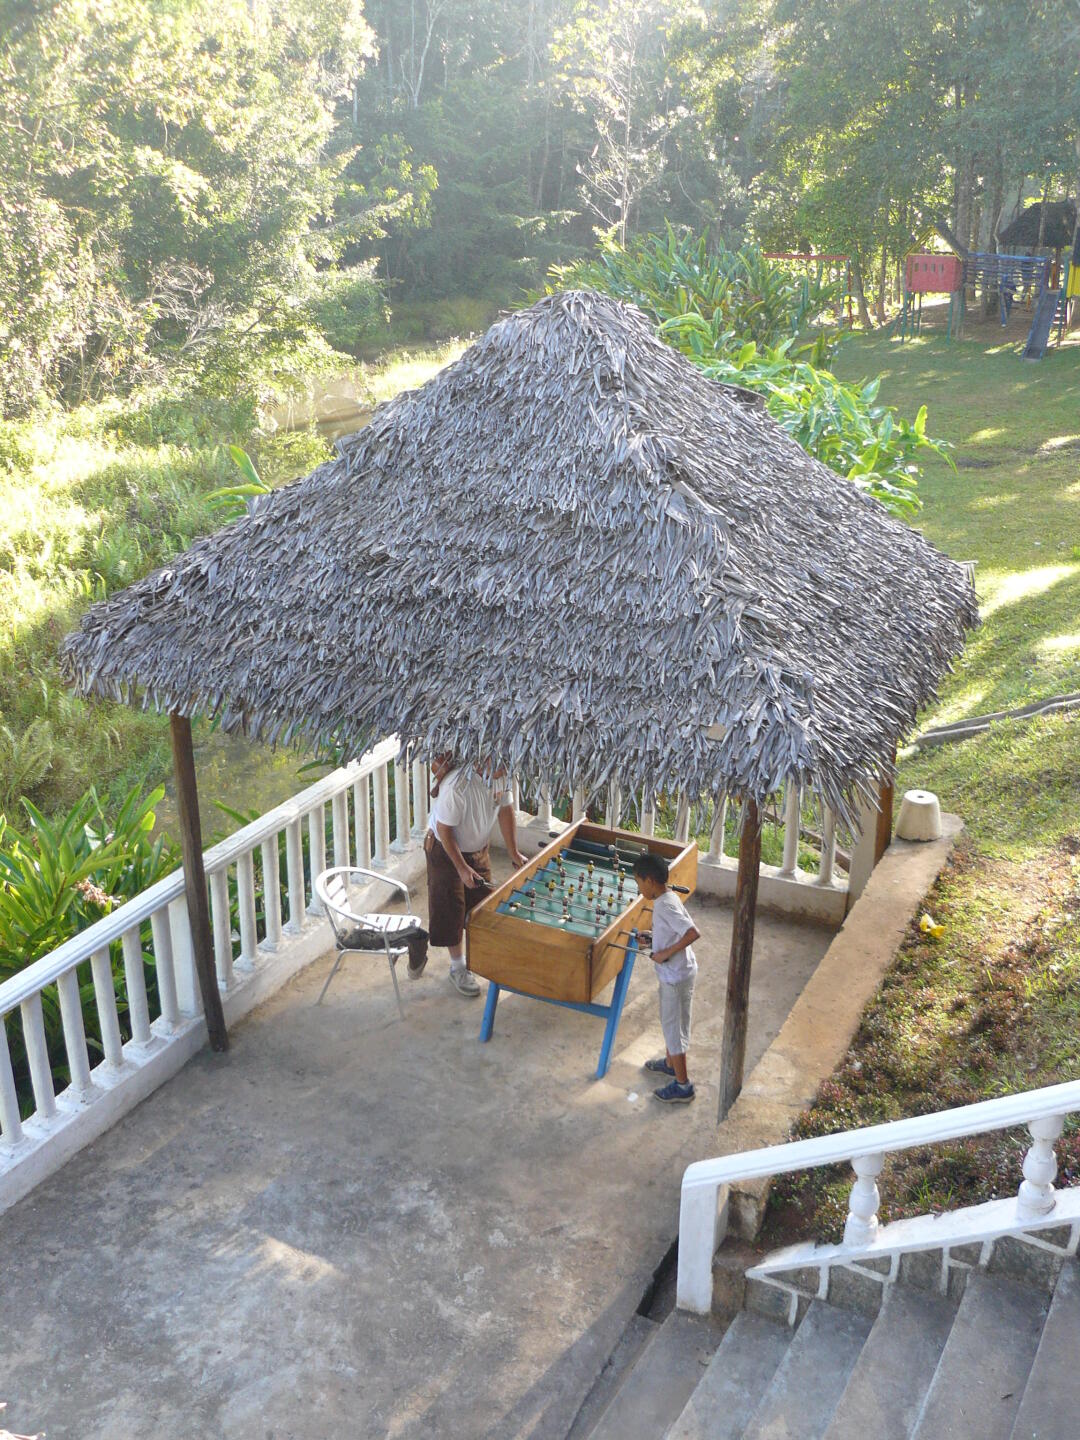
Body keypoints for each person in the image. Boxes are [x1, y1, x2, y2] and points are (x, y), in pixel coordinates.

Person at [423, 754, 528, 996]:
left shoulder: (501, 775)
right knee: (451, 907)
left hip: (478, 849)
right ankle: (457, 967)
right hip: (444, 849)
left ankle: (485, 959)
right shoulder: (457, 785)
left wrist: (513, 852)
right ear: (484, 758)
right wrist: (461, 868)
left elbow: (505, 810)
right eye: (503, 761)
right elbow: (444, 830)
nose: (507, 768)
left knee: (482, 905)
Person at [633, 852, 700, 1103]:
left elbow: (692, 933)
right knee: (671, 1023)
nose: (639, 888)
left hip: (676, 976)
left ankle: (683, 1086)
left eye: (639, 882)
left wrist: (663, 953)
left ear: (650, 881)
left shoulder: (665, 904)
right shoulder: (666, 898)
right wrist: (653, 939)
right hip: (676, 973)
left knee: (674, 1030)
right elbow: (673, 932)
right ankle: (671, 1064)